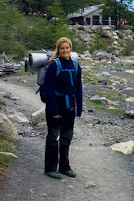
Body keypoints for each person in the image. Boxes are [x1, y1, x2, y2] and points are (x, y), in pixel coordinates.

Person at [41, 37, 82, 179]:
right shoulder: (54, 65)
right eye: (62, 48)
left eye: (67, 48)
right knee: (53, 137)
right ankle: (50, 168)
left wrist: (79, 106)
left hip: (70, 106)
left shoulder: (76, 65)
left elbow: (78, 88)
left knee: (66, 137)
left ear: (71, 49)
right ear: (58, 50)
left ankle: (65, 167)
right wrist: (54, 110)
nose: (65, 50)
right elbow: (49, 89)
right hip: (56, 106)